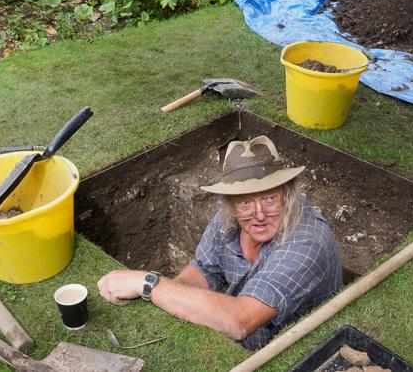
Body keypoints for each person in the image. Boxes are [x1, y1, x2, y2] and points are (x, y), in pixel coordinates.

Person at [97, 135, 343, 349]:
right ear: (230, 202)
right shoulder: (230, 217)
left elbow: (241, 321)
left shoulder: (307, 242)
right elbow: (206, 269)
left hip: (288, 344)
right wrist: (173, 298)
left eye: (270, 198)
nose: (258, 214)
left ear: (288, 194)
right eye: (245, 202)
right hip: (246, 321)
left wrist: (148, 283)